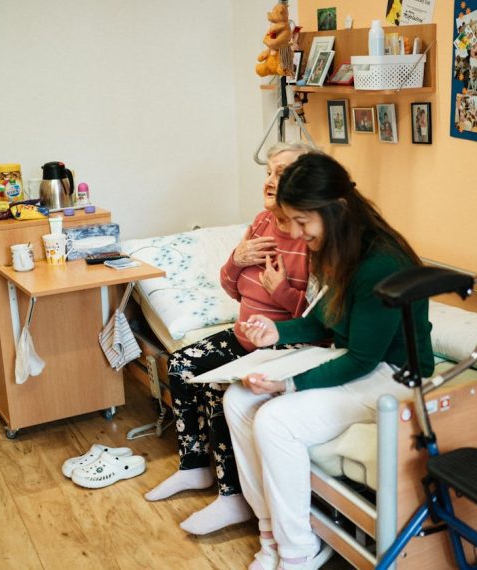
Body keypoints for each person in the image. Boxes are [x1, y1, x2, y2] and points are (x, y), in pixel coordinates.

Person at [223, 153, 434, 570]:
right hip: (359, 362)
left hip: (396, 376)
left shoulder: (381, 263)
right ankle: (271, 535)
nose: (298, 234)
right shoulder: (341, 246)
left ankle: (298, 553)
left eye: (303, 222)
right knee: (237, 400)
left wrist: (287, 386)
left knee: (274, 419)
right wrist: (276, 332)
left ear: (335, 208)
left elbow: (360, 361)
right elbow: (324, 317)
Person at [144, 142, 314, 536]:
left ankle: (231, 494)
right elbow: (231, 289)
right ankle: (193, 466)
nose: (270, 181)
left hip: (282, 343)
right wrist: (237, 260)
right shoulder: (260, 222)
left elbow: (314, 319)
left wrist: (282, 291)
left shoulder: (310, 236)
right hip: (243, 335)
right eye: (269, 172)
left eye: (282, 173)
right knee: (182, 365)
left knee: (218, 387)